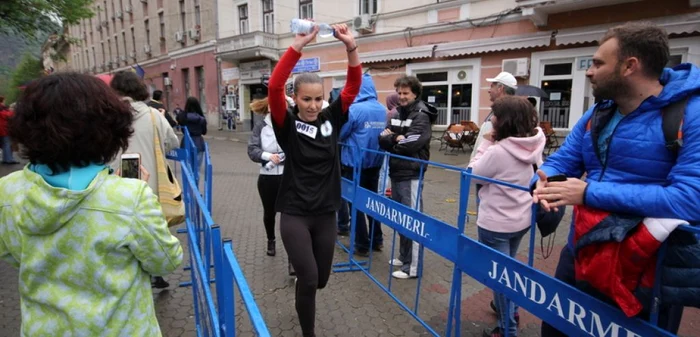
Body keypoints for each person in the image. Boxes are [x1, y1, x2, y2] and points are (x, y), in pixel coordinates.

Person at [533, 22, 700, 336]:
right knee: (556, 330)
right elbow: (562, 161)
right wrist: (545, 182)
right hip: (581, 251)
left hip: (647, 270)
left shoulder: (691, 113)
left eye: (598, 63)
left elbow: (690, 199)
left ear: (629, 66)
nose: (589, 71)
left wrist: (590, 193)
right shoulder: (598, 112)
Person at [0, 72, 182, 336]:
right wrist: (138, 195)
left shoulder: (7, 192)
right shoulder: (128, 196)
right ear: (106, 127)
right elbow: (165, 260)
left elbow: (12, 252)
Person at [268, 23, 361, 337]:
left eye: (318, 99)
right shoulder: (287, 124)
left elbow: (352, 87)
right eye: (306, 99)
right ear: (295, 98)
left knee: (320, 280)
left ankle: (303, 291)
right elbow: (273, 87)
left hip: (325, 214)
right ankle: (308, 333)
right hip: (294, 213)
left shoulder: (332, 118)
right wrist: (297, 47)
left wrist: (350, 47)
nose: (312, 105)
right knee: (308, 279)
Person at [469, 96, 545, 337]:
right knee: (508, 273)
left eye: (495, 115)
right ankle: (509, 311)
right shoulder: (536, 142)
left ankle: (507, 328)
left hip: (496, 224)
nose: (491, 119)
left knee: (500, 279)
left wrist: (485, 144)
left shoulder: (498, 151)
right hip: (521, 219)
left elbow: (473, 174)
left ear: (506, 121)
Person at [109, 70, 179, 289]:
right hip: (151, 181)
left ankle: (131, 272)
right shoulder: (153, 115)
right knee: (151, 225)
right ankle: (156, 271)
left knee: (122, 225)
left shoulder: (106, 116)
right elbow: (173, 143)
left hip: (116, 182)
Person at [378, 75, 438, 279]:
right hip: (397, 171)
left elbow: (412, 143)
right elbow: (381, 138)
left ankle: (412, 268)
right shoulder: (399, 112)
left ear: (415, 93)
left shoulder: (420, 115)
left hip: (411, 173)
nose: (402, 96)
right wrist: (395, 138)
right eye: (400, 93)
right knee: (400, 219)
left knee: (412, 220)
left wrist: (392, 140)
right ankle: (404, 257)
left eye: (406, 93)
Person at [339, 73, 387, 256]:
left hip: (354, 164)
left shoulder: (354, 109)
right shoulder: (382, 109)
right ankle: (377, 240)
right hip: (375, 163)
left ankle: (361, 244)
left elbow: (342, 133)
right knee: (373, 204)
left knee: (356, 205)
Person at [247, 98, 295, 276]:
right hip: (267, 177)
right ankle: (271, 240)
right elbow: (252, 149)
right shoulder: (261, 126)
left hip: (288, 177)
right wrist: (268, 155)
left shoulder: (291, 123)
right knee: (269, 213)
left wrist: (288, 99)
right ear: (269, 107)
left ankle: (292, 257)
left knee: (290, 217)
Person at [471, 72, 517, 162]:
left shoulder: (507, 113)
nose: (489, 90)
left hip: (486, 168)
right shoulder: (499, 109)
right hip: (480, 164)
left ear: (500, 88)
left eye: (492, 86)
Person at [177, 97, 208, 171]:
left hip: (186, 143)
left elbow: (177, 119)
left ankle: (187, 182)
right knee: (196, 169)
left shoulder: (182, 117)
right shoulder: (201, 119)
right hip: (198, 143)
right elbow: (204, 132)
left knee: (187, 169)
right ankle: (195, 182)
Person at [0, 96, 19, 165]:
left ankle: (6, 159)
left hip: (2, 129)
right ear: (2, 100)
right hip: (3, 129)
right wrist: (12, 112)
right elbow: (7, 115)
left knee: (5, 144)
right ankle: (8, 159)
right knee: (7, 144)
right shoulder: (1, 108)